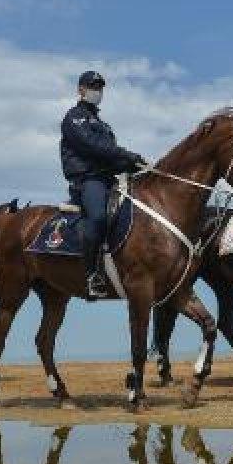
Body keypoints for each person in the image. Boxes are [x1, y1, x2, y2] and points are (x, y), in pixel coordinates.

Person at [60, 70, 148, 299]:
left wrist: (134, 165)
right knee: (98, 217)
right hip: (88, 180)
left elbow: (111, 157)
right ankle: (91, 275)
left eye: (99, 88)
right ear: (80, 89)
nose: (96, 92)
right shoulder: (74, 118)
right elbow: (92, 147)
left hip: (110, 180)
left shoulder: (104, 125)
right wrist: (127, 154)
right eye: (92, 87)